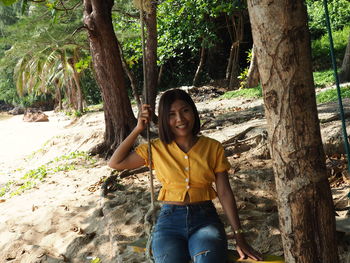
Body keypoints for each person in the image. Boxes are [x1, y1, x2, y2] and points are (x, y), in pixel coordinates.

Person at [108, 89, 262, 263]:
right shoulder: (155, 148)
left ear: (193, 112)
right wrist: (138, 129)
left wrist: (239, 235)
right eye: (172, 114)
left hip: (205, 220)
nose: (180, 119)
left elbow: (225, 193)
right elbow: (116, 163)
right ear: (165, 120)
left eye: (185, 111)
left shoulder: (213, 147)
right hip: (169, 222)